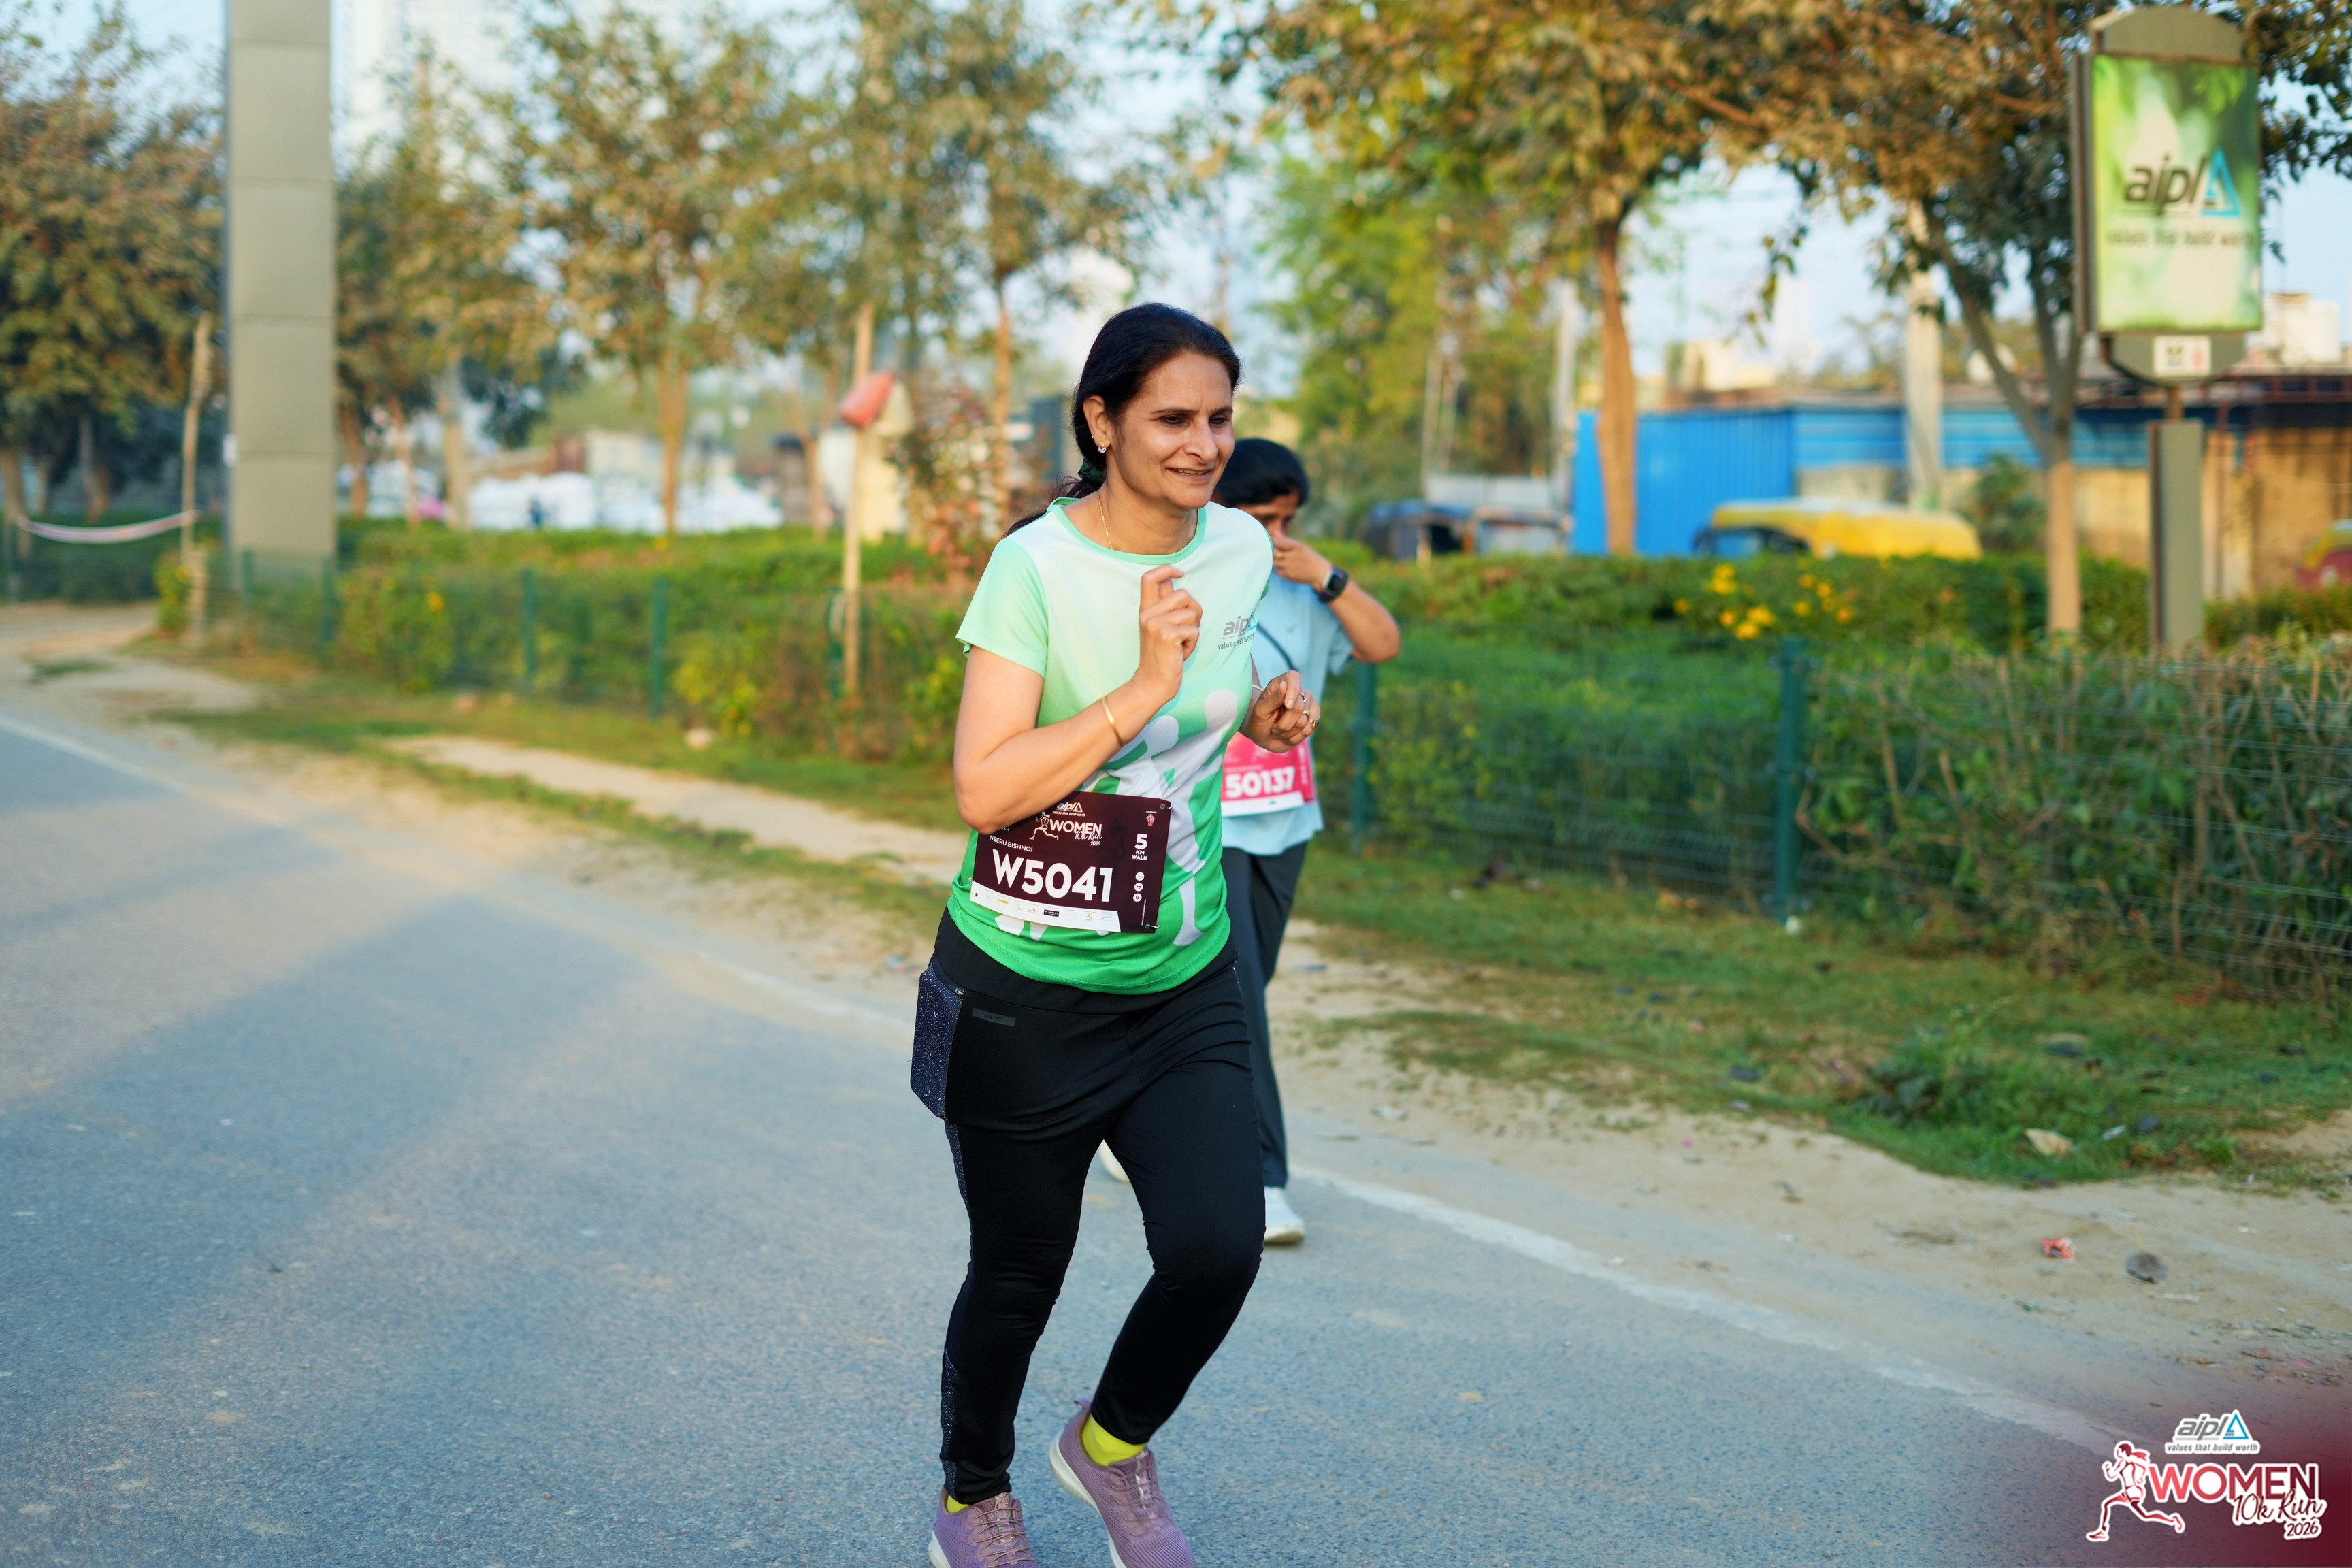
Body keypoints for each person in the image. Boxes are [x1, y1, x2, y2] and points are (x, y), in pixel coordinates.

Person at [912, 304, 1319, 1568]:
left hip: (1182, 970)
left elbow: (1208, 707)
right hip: (1027, 988)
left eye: (1220, 418)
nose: (1204, 445)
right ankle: (973, 1494)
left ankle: (1109, 1446)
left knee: (1218, 1246)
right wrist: (1142, 688)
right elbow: (984, 787)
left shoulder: (1237, 548)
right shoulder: (1033, 568)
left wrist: (1260, 711)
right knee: (1020, 1269)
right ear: (1102, 421)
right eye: (1172, 418)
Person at [1213, 439, 1400, 1245]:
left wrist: (1326, 574)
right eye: (1263, 520)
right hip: (1207, 820)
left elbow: (1382, 643)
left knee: (1239, 988)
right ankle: (1261, 1179)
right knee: (1239, 1002)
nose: (1278, 535)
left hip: (1286, 819)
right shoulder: (1195, 583)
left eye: (1288, 520)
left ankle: (1132, 1110)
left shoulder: (1304, 591)